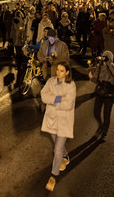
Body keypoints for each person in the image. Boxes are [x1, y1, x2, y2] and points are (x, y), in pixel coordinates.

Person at [40, 61, 76, 191]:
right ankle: (65, 157)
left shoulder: (71, 85)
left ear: (67, 72)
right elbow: (43, 96)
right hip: (51, 120)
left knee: (57, 150)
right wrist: (59, 99)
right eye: (57, 70)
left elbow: (69, 105)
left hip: (64, 121)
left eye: (61, 71)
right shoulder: (51, 81)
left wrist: (52, 99)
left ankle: (53, 176)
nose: (58, 73)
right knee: (56, 144)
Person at [89, 51, 114, 142]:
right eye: (103, 57)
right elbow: (96, 80)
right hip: (100, 92)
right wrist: (91, 77)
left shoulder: (113, 67)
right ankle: (101, 125)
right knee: (96, 112)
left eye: (106, 57)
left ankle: (104, 133)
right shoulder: (100, 67)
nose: (103, 58)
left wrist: (108, 63)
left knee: (107, 115)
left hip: (109, 94)